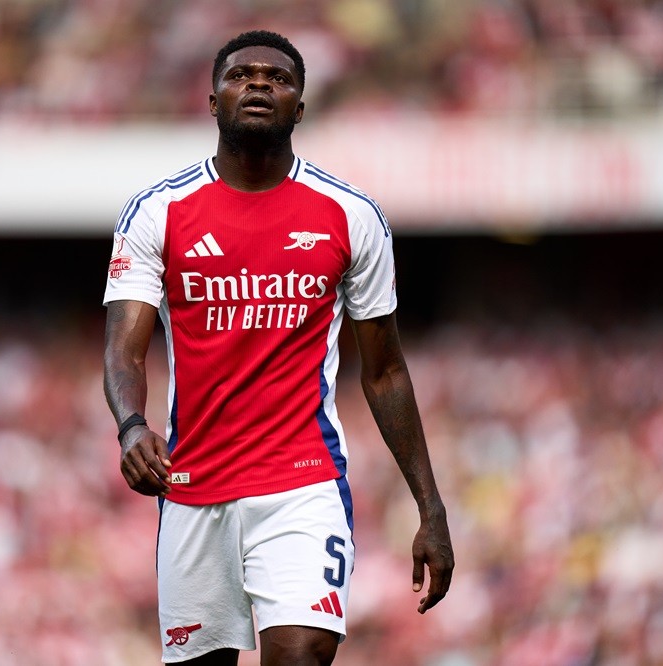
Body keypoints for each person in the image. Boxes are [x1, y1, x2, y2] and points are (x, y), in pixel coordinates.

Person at [103, 30, 453, 666]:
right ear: (212, 101)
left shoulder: (351, 215)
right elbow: (124, 349)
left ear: (300, 107)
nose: (259, 84)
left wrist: (431, 509)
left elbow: (386, 372)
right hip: (191, 486)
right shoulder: (157, 213)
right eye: (241, 75)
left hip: (302, 482)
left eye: (278, 78)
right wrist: (131, 426)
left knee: (300, 655)